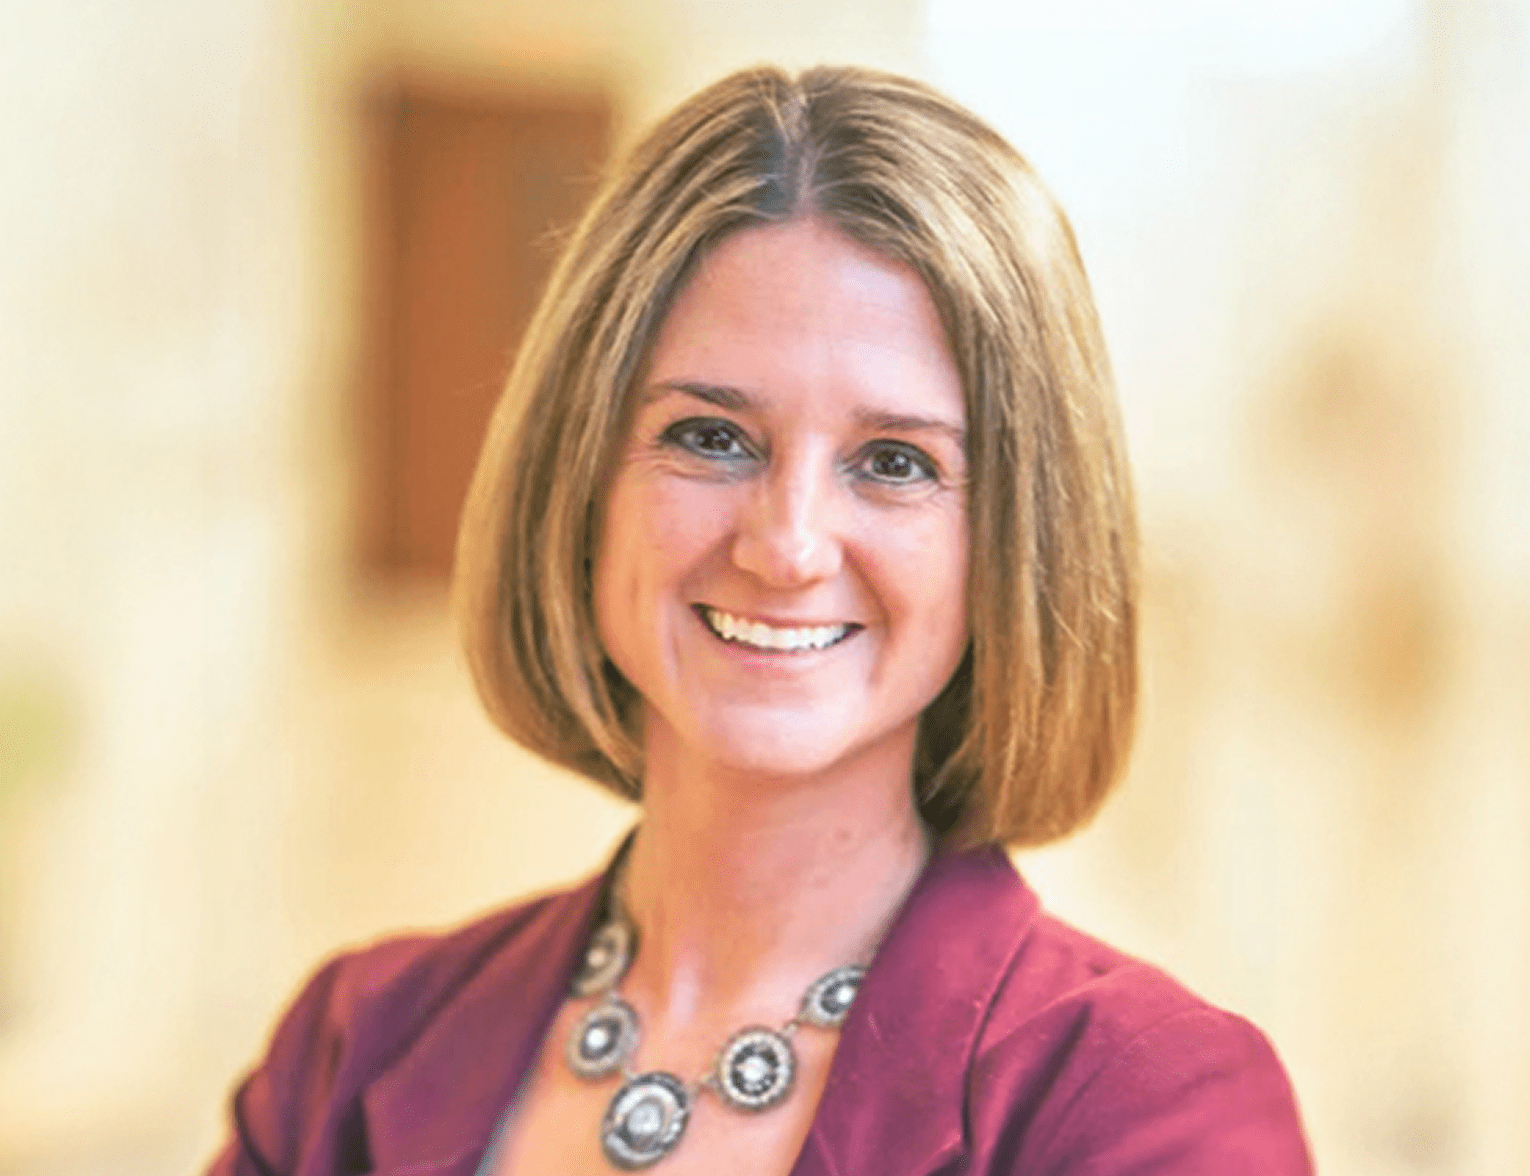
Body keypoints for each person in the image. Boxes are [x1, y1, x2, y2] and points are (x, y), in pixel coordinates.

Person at [208, 65, 1313, 1175]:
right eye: (710, 438)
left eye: (895, 462)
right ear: (580, 475)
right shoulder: (348, 1056)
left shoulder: (1145, 1105)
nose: (786, 546)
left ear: (1013, 544)